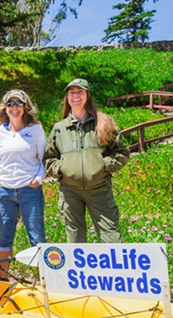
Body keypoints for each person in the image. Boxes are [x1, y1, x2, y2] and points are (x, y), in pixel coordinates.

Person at [43, 78, 130, 243]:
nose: (75, 96)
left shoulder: (104, 123)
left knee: (111, 238)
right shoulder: (59, 128)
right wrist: (62, 169)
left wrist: (104, 165)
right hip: (70, 193)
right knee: (75, 241)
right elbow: (49, 158)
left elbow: (122, 152)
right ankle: (80, 270)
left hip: (99, 190)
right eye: (71, 92)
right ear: (67, 97)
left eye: (80, 92)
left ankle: (114, 270)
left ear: (87, 95)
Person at [0, 89, 46, 280]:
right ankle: (3, 280)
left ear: (25, 107)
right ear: (5, 108)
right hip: (5, 191)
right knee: (5, 236)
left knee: (36, 235)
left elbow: (44, 158)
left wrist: (38, 179)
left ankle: (43, 281)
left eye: (18, 104)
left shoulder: (36, 130)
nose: (14, 108)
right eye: (10, 104)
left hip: (29, 190)